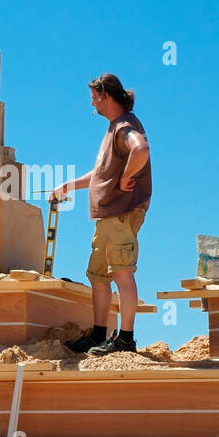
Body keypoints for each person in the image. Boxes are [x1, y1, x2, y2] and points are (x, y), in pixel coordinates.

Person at [51, 73, 152, 355]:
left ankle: (126, 339)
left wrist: (126, 179)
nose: (92, 104)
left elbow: (141, 150)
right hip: (107, 217)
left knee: (121, 272)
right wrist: (69, 185)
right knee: (98, 275)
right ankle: (99, 335)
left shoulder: (124, 126)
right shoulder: (113, 128)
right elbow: (100, 174)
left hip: (120, 213)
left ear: (105, 95)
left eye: (94, 98)